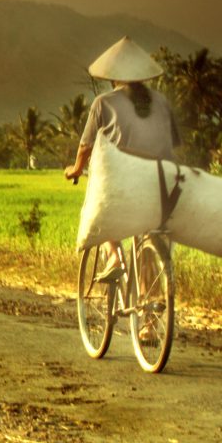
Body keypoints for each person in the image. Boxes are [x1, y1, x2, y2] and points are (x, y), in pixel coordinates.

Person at [64, 36, 181, 288]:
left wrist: (75, 170)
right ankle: (149, 308)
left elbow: (85, 147)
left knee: (100, 205)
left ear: (113, 78)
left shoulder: (103, 103)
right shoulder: (162, 102)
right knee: (150, 234)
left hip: (125, 186)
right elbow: (173, 144)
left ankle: (115, 256)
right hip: (162, 185)